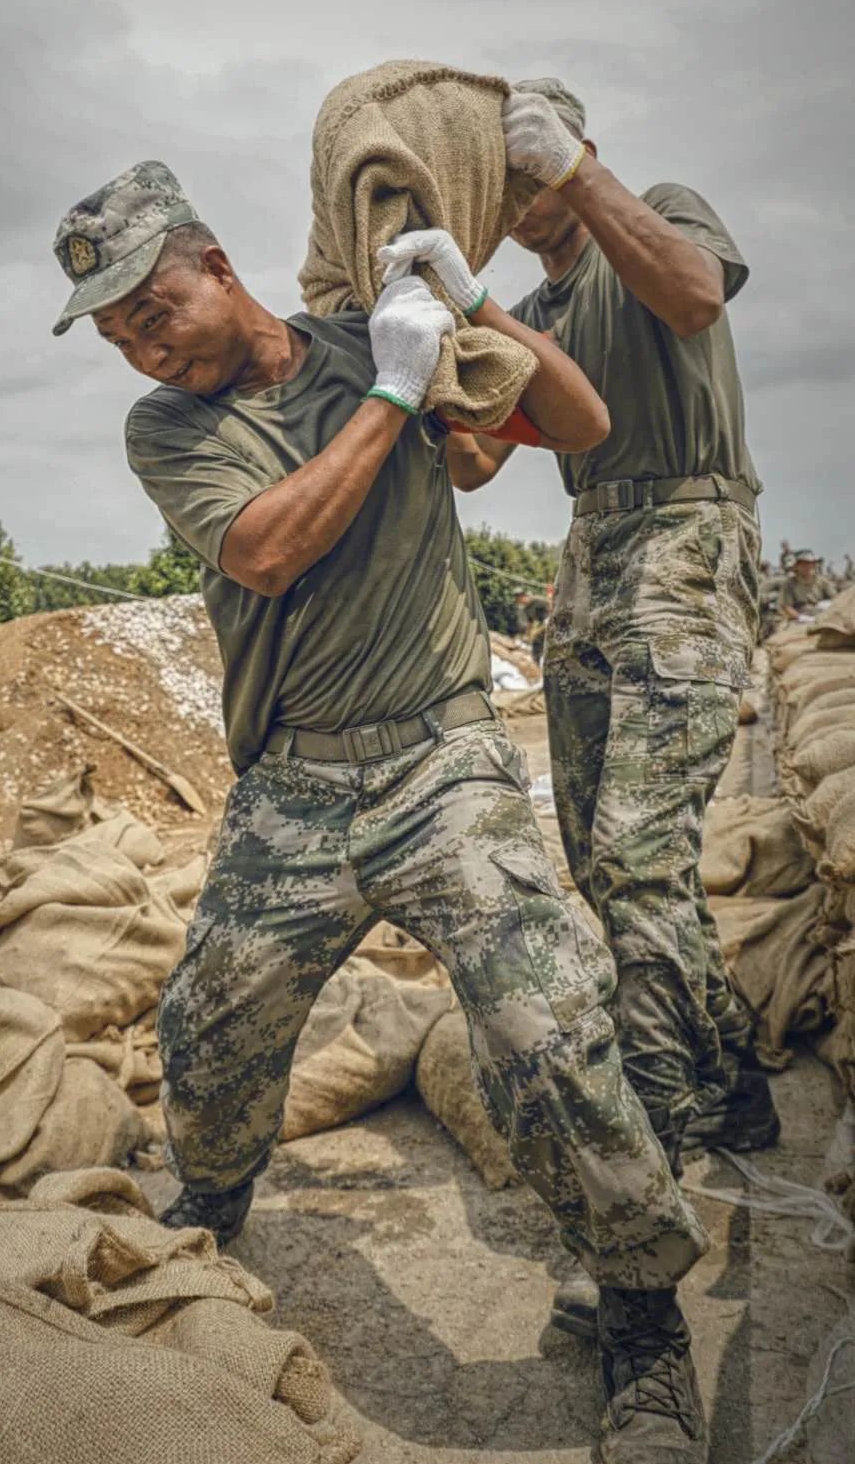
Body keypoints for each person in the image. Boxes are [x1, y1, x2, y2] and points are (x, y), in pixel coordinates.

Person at [52, 159, 715, 1461]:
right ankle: (219, 1209)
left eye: (152, 307)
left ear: (217, 266)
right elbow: (265, 546)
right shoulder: (172, 429)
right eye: (118, 333)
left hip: (440, 762)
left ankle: (643, 1322)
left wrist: (479, 313)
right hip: (293, 780)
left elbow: (581, 428)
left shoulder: (379, 330)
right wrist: (396, 391)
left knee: (549, 1022)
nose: (141, 345)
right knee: (210, 1028)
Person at [389, 82, 778, 1353]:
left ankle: (650, 1178)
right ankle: (738, 1085)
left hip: (687, 535)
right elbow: (477, 459)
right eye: (505, 184)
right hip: (594, 559)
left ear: (578, 155)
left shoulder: (655, 214)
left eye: (526, 170)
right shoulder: (540, 310)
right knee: (606, 861)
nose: (517, 199)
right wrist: (434, 352)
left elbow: (696, 297)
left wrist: (581, 166)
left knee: (637, 855)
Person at [779, 549, 836, 619]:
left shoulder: (822, 581)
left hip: (824, 615)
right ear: (796, 566)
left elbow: (836, 598)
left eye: (810, 563)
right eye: (803, 564)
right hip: (799, 619)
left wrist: (827, 604)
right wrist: (800, 617)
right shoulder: (789, 584)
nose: (808, 566)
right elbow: (786, 606)